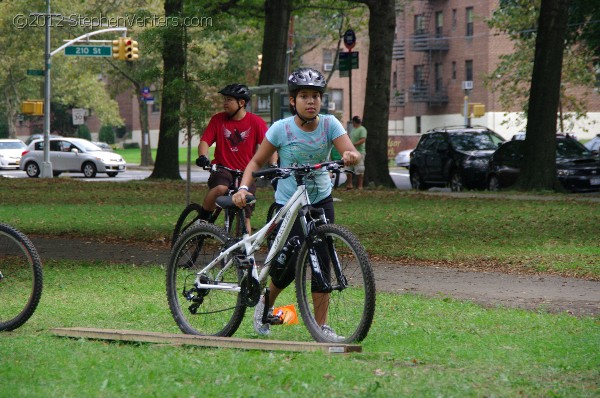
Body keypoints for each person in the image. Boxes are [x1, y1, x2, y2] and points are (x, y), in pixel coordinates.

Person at [231, 67, 362, 339]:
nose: (311, 101)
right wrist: (244, 187)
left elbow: (350, 151)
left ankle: (321, 326)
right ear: (293, 100)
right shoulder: (281, 129)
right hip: (288, 205)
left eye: (315, 96)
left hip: (320, 200)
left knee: (322, 261)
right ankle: (265, 304)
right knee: (286, 265)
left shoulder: (330, 124)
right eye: (304, 96)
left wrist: (350, 155)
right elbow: (255, 162)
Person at [196, 83, 275, 232]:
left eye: (229, 100)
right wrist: (203, 156)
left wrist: (274, 166)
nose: (224, 103)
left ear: (241, 103)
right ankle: (203, 220)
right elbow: (205, 141)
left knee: (244, 214)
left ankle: (244, 252)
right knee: (220, 188)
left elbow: (269, 147)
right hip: (222, 168)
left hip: (246, 173)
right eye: (224, 99)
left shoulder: (256, 122)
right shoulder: (218, 120)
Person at [344, 116, 367, 190]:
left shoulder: (362, 129)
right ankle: (349, 185)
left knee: (359, 169)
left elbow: (363, 140)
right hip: (351, 152)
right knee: (348, 168)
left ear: (354, 122)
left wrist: (354, 145)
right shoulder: (353, 129)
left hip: (360, 152)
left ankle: (360, 186)